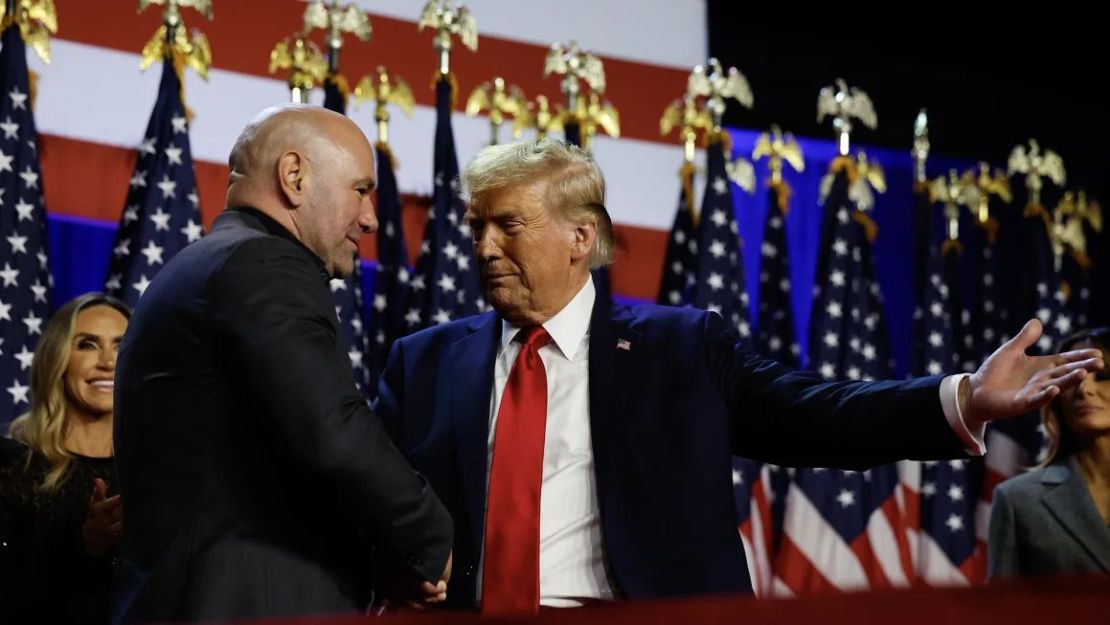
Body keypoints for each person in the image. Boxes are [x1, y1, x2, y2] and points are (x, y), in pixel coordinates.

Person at [373, 139, 1103, 614]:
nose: (483, 246)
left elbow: (818, 412)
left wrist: (964, 395)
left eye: (506, 224)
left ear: (580, 237)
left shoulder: (680, 346)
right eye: (475, 227)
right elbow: (366, 485)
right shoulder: (426, 359)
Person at [111, 104, 453, 624]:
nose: (370, 217)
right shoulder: (264, 263)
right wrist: (431, 537)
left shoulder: (204, 263)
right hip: (247, 603)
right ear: (294, 177)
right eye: (360, 190)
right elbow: (331, 429)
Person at [0, 292, 130, 624]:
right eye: (87, 344)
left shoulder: (162, 470)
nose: (108, 361)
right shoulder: (10, 466)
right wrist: (88, 549)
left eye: (121, 344)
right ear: (56, 359)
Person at [988, 327, 1110, 579]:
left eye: (1102, 375)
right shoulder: (1017, 500)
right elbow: (1000, 613)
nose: (1083, 390)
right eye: (1071, 378)